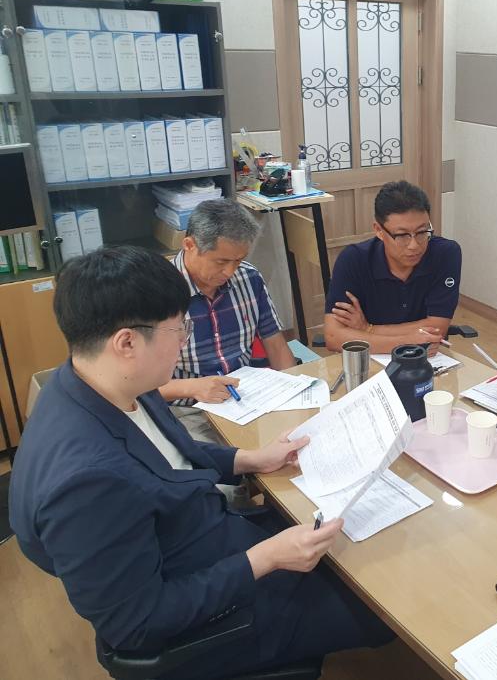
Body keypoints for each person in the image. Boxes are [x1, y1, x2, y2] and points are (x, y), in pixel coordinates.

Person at [8, 246, 392, 680]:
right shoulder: (87, 482)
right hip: (211, 610)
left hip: (206, 537)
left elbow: (171, 457)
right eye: (179, 329)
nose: (185, 341)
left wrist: (250, 458)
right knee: (381, 602)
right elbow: (136, 625)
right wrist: (265, 558)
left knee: (358, 543)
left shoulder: (101, 381)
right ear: (127, 342)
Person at [159, 198, 296, 408]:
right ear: (189, 245)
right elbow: (133, 386)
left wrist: (293, 392)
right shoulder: (156, 291)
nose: (230, 272)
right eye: (221, 262)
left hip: (245, 398)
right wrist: (192, 387)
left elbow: (276, 347)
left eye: (238, 260)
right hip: (186, 407)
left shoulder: (249, 278)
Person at [323, 180, 462, 354]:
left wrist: (367, 329)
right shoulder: (353, 259)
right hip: (369, 359)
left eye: (422, 232)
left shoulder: (445, 254)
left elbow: (437, 328)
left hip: (426, 359)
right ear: (379, 230)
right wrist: (406, 341)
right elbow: (333, 337)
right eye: (402, 235)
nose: (414, 245)